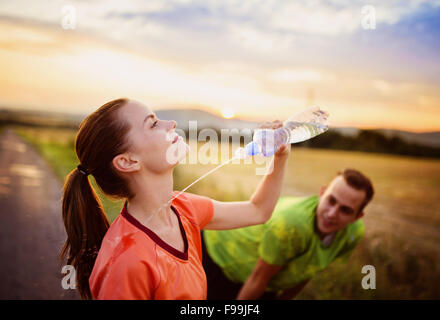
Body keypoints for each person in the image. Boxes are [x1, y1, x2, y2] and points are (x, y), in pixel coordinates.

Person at [60, 98, 290, 300]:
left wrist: (280, 157)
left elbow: (258, 210)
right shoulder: (127, 262)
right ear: (128, 162)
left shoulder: (183, 208)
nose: (172, 124)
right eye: (152, 124)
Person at [202, 168, 374, 300]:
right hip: (217, 255)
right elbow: (258, 279)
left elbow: (309, 269)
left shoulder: (353, 234)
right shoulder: (291, 226)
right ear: (322, 193)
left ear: (357, 216)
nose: (331, 214)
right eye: (331, 200)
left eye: (345, 210)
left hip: (260, 279)